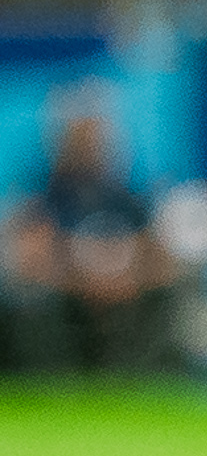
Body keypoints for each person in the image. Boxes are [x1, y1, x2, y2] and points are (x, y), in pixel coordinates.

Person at [4, 97, 173, 372]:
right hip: (65, 295)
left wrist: (127, 277)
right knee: (30, 301)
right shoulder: (44, 199)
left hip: (128, 293)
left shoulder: (127, 198)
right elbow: (31, 259)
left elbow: (158, 254)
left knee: (168, 295)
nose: (90, 146)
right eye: (81, 137)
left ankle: (146, 375)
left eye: (96, 137)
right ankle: (53, 379)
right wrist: (84, 281)